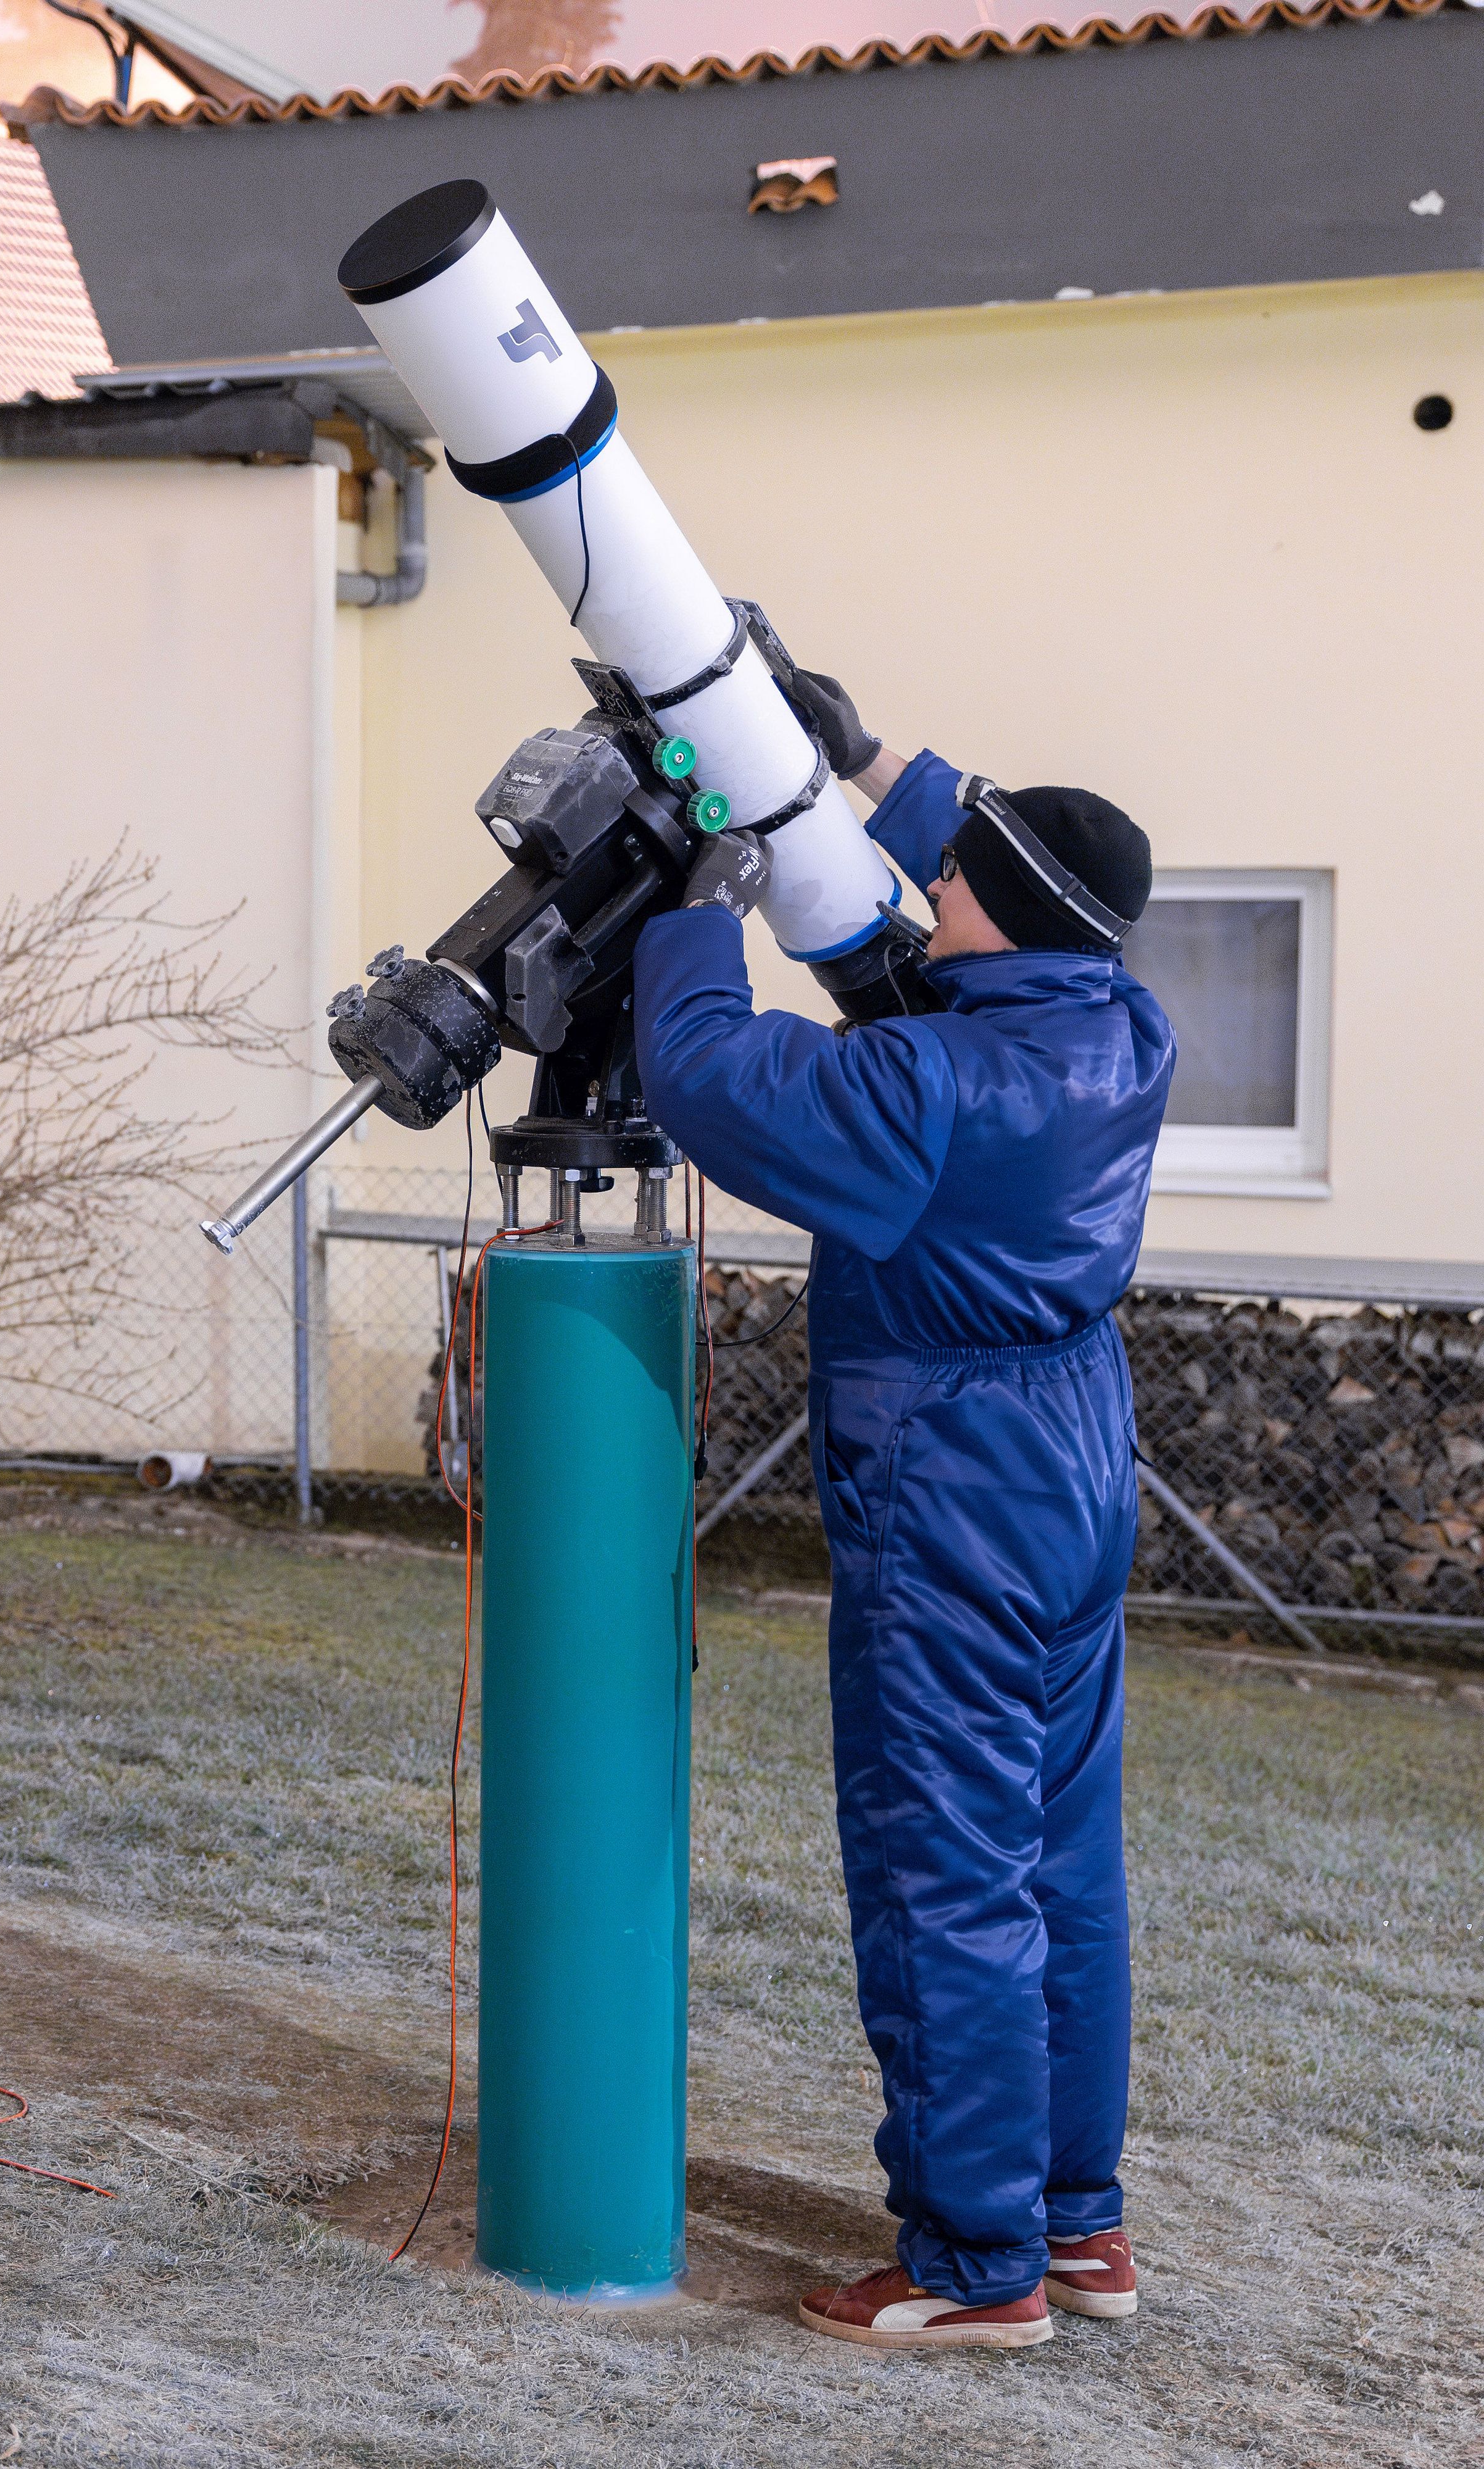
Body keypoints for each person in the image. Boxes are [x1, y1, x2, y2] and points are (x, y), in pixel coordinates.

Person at [630, 661, 1174, 2352]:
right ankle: (1076, 2228)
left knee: (945, 1872)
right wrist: (852, 752)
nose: (920, 890)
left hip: (951, 1494)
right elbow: (1009, 881)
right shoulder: (1115, 1025)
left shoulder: (928, 1097)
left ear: (998, 925)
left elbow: (718, 1081)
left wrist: (694, 907)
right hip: (1074, 1466)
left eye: (946, 880)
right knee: (1061, 1863)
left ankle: (967, 2264)